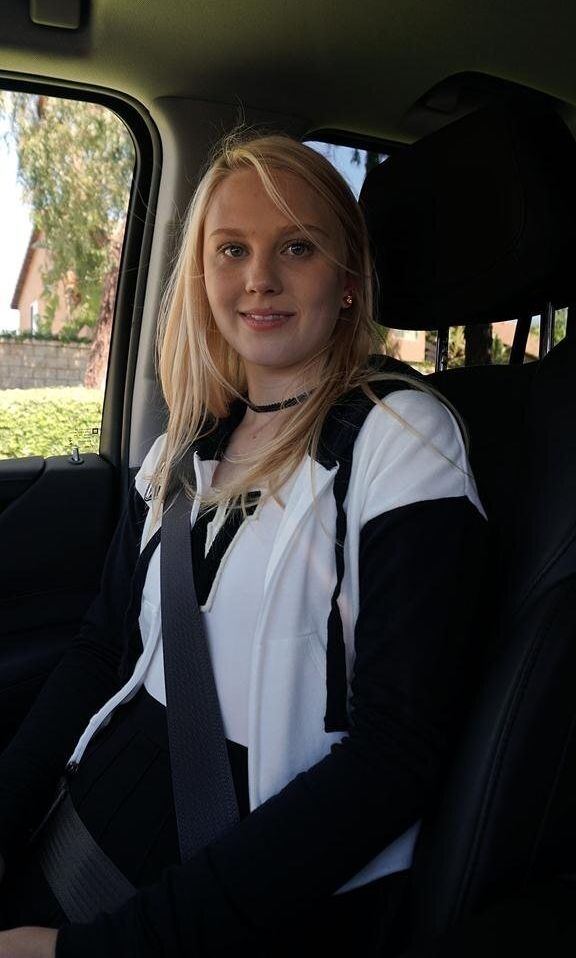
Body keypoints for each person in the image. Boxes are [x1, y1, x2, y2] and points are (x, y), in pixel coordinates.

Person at [0, 132, 488, 958]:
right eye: (232, 249)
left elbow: (396, 754)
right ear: (203, 274)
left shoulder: (405, 440)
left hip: (231, 903)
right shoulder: (182, 450)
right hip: (75, 838)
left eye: (297, 247)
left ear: (348, 278)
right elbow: (100, 649)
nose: (260, 277)